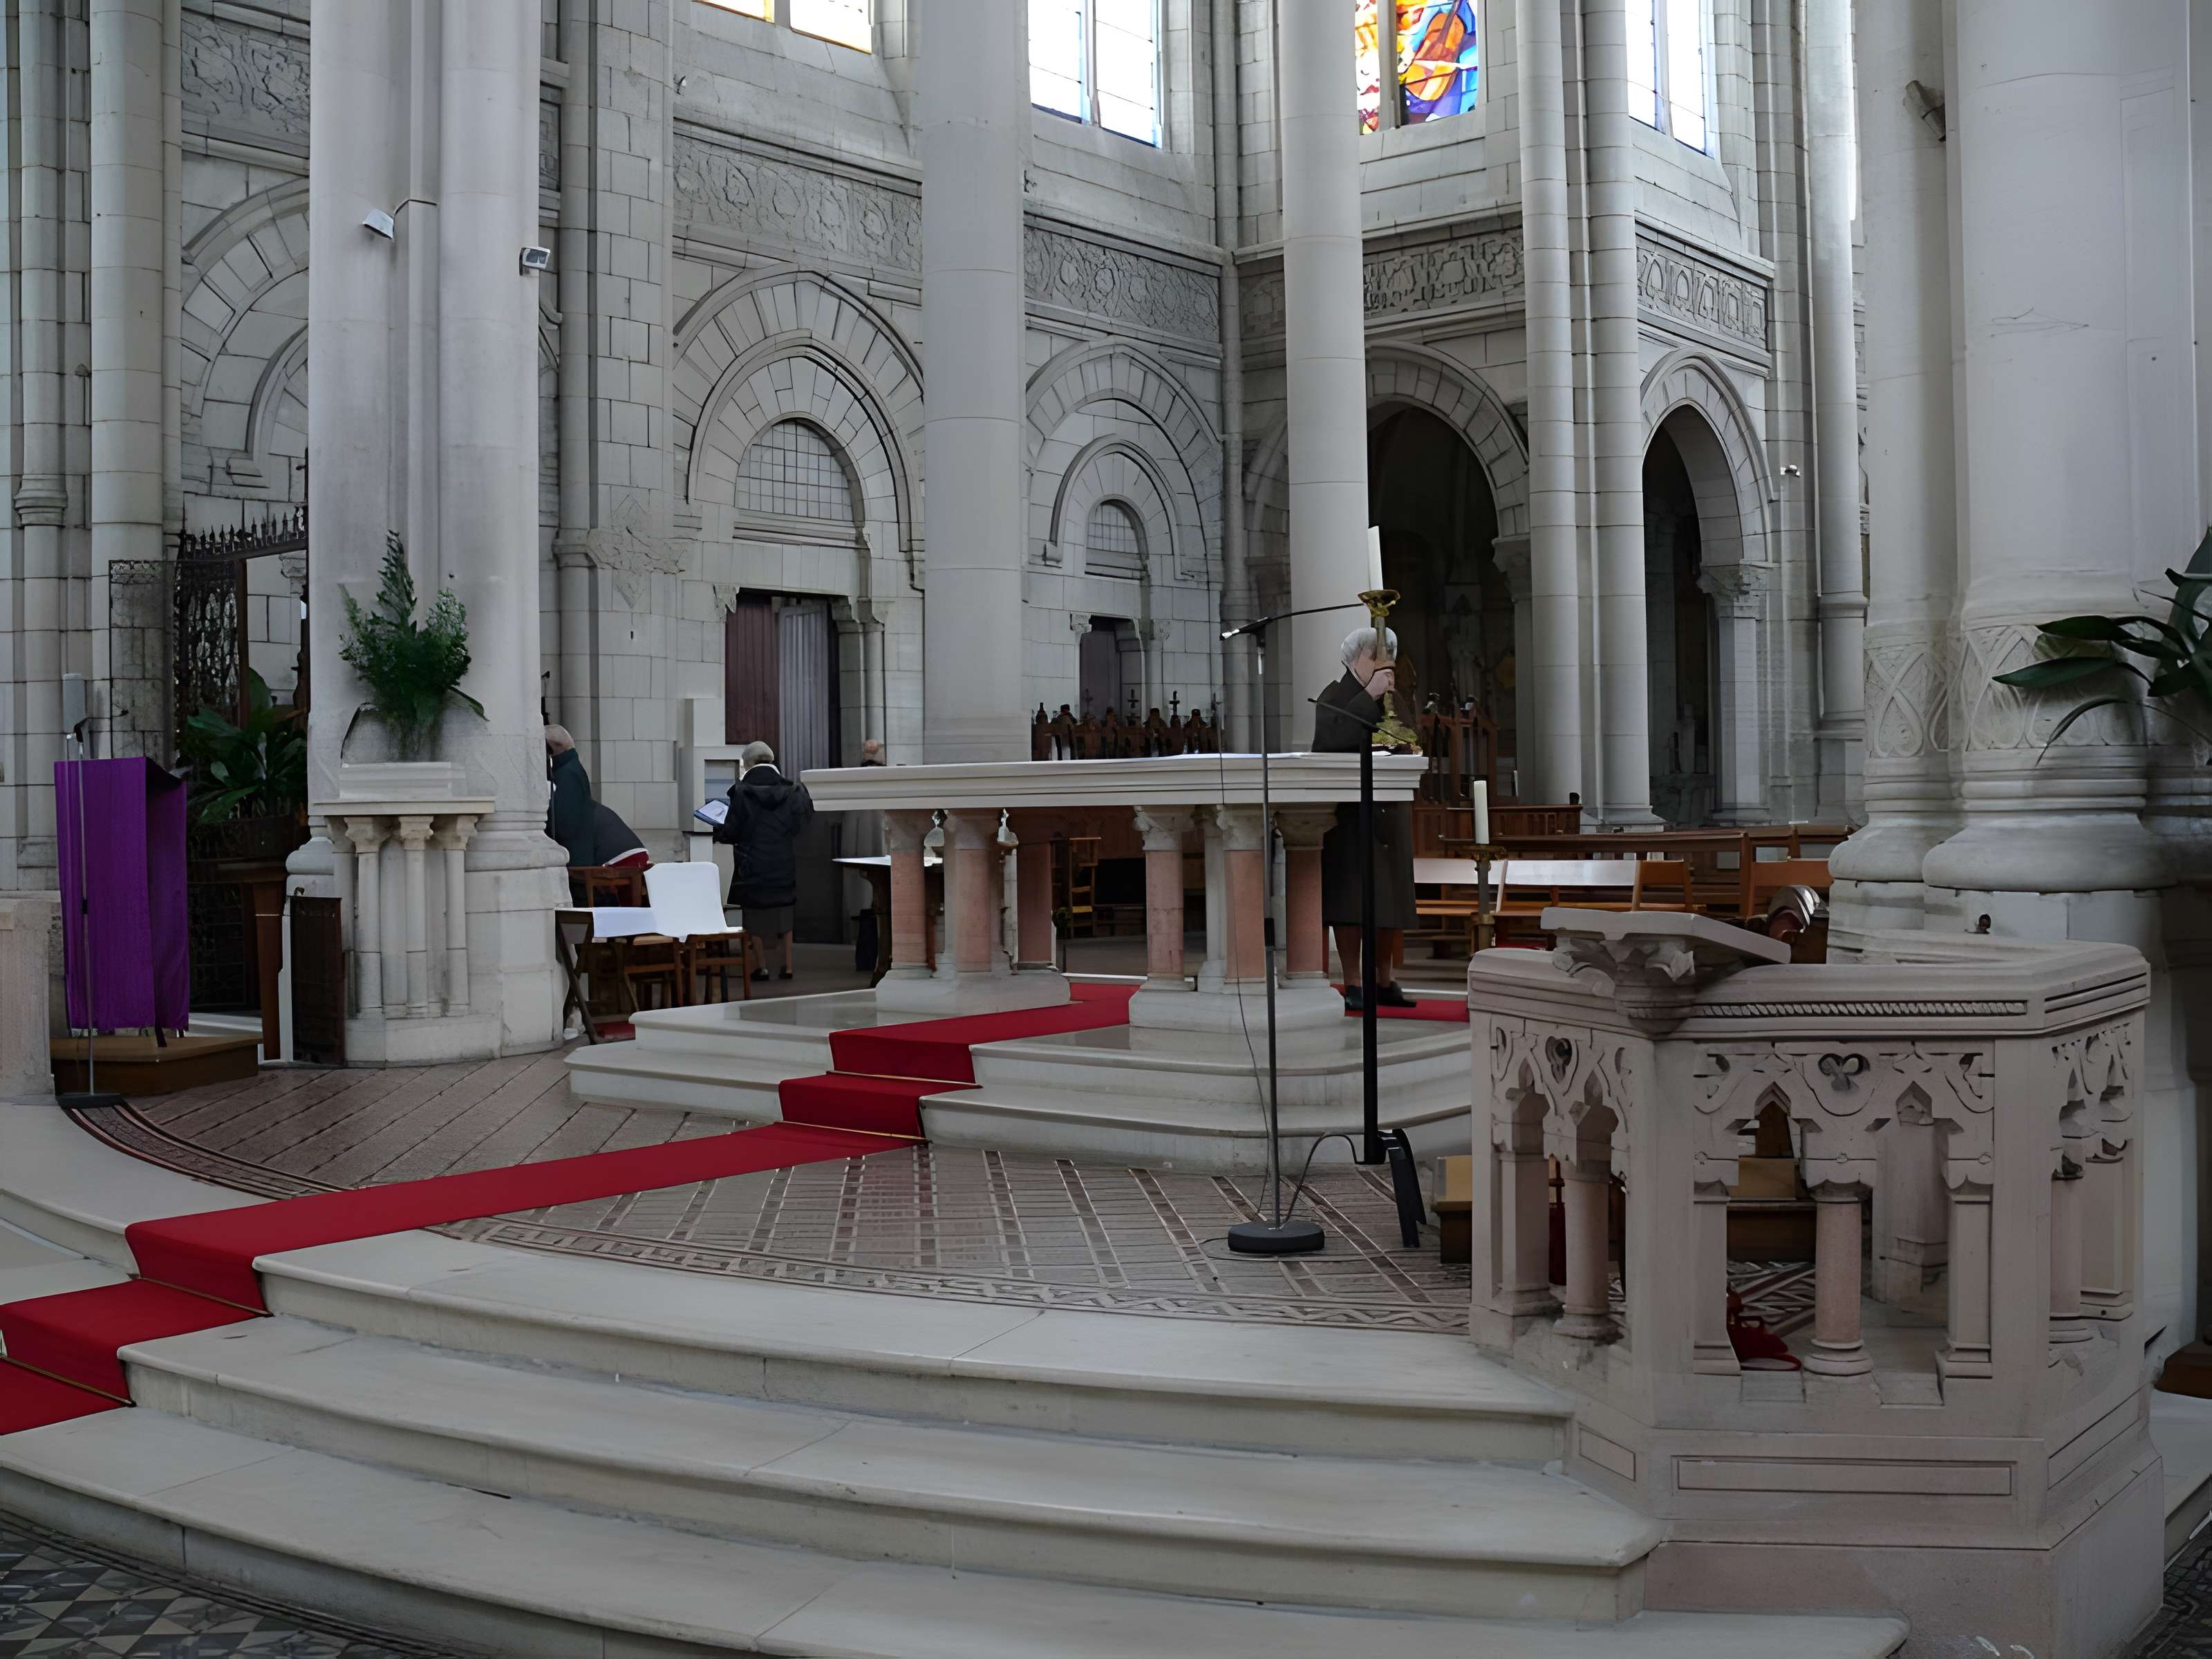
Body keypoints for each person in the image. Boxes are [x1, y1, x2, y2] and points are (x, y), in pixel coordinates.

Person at [1311, 626, 1417, 1011]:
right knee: (1351, 900)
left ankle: (1384, 979)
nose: (1382, 663)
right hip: (1351, 816)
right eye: (1375, 655)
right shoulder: (1334, 695)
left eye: (1387, 655)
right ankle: (1354, 980)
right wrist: (1367, 696)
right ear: (1354, 660)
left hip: (1390, 813)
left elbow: (1411, 738)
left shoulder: (1396, 699)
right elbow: (1328, 741)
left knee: (1389, 903)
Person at [713, 740, 814, 982]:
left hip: (751, 863)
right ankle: (788, 967)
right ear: (771, 761)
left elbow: (732, 832)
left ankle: (762, 967)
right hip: (782, 859)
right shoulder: (794, 790)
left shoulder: (741, 792)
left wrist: (719, 829)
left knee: (754, 913)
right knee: (784, 911)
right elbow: (803, 823)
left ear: (747, 764)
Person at [545, 724, 594, 865]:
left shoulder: (567, 774)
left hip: (572, 857)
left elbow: (564, 824)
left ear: (551, 747)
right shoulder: (569, 769)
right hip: (575, 853)